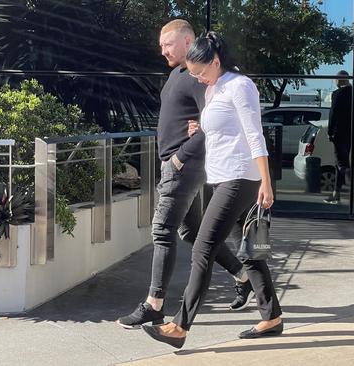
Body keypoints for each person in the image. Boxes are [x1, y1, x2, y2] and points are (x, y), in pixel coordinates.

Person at [142, 31, 283, 349]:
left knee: (202, 249)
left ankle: (179, 326)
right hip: (222, 178)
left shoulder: (240, 85)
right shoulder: (215, 86)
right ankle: (271, 315)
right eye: (193, 74)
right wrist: (200, 126)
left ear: (216, 61)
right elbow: (219, 127)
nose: (198, 79)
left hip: (240, 179)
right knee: (250, 250)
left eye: (201, 72)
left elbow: (254, 134)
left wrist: (266, 181)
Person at [116, 20, 252, 330]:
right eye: (162, 45)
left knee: (163, 230)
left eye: (168, 44)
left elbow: (217, 117)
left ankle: (154, 304)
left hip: (183, 167)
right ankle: (242, 275)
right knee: (191, 232)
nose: (162, 50)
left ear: (187, 40)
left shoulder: (195, 76)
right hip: (178, 165)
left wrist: (181, 155)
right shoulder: (179, 73)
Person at [325, 70, 353, 204]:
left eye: (335, 79)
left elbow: (333, 113)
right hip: (350, 132)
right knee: (340, 163)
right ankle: (336, 193)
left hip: (339, 132)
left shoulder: (337, 94)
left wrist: (330, 131)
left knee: (341, 163)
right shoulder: (353, 93)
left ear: (339, 80)